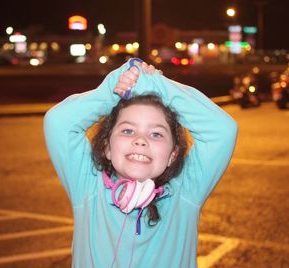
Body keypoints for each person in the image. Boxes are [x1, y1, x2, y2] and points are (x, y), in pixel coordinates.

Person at [44, 59, 238, 268]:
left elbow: (222, 130)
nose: (140, 139)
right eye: (128, 130)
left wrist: (156, 85)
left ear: (173, 154)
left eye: (156, 134)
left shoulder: (185, 191)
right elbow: (58, 122)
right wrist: (115, 88)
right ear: (107, 147)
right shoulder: (87, 185)